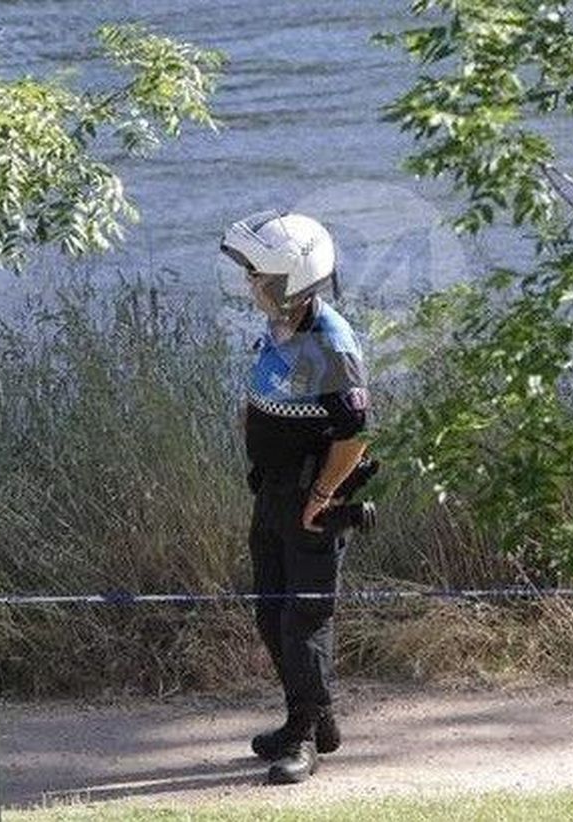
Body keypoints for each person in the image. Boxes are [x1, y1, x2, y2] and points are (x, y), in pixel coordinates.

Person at [221, 211, 372, 785]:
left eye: (258, 276)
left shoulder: (331, 344)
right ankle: (315, 716)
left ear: (290, 282)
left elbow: (355, 433)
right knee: (269, 614)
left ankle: (304, 736)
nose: (249, 284)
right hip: (274, 494)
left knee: (303, 620)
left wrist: (323, 493)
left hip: (313, 502)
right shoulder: (283, 326)